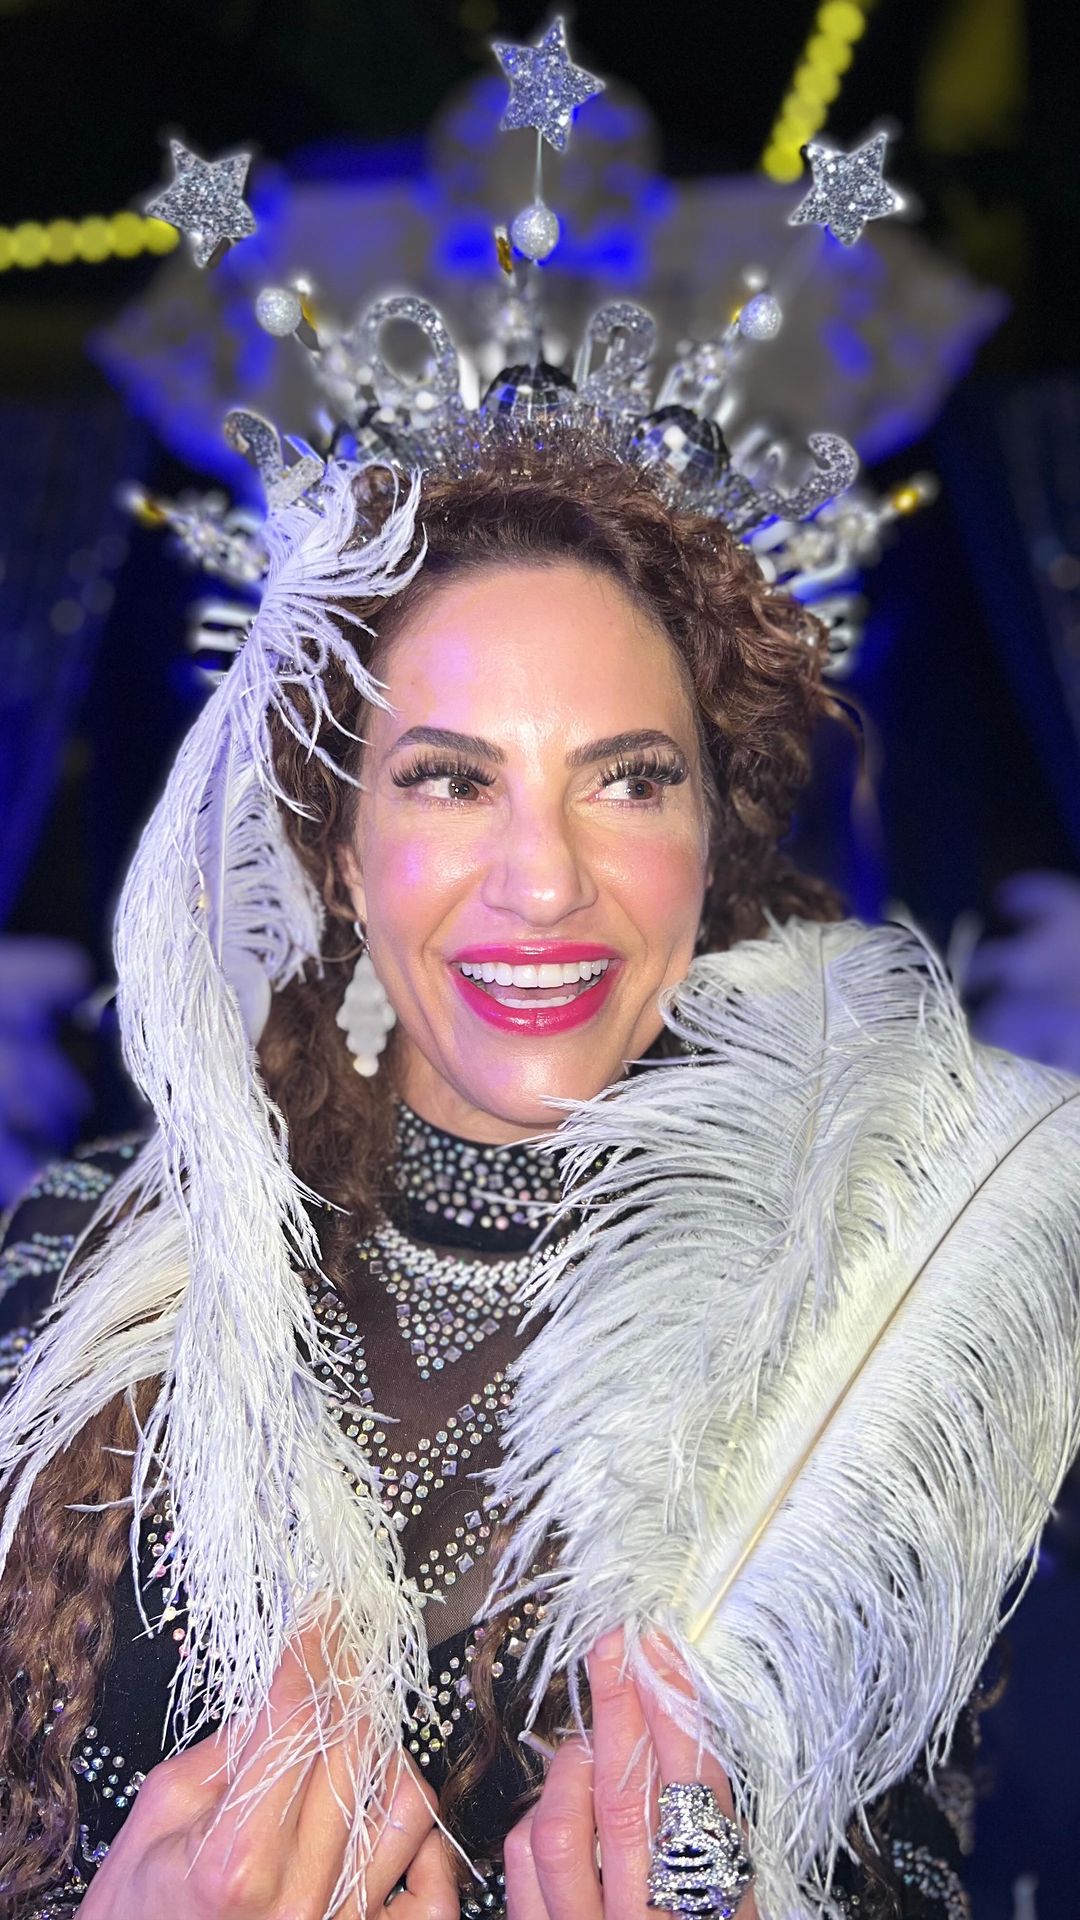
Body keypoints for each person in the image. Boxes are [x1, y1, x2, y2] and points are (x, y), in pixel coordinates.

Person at [0, 449, 993, 1919]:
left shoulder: (873, 1342)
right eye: (452, 780)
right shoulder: (84, 1255)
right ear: (343, 851)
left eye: (630, 781)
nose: (544, 881)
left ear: (709, 841)